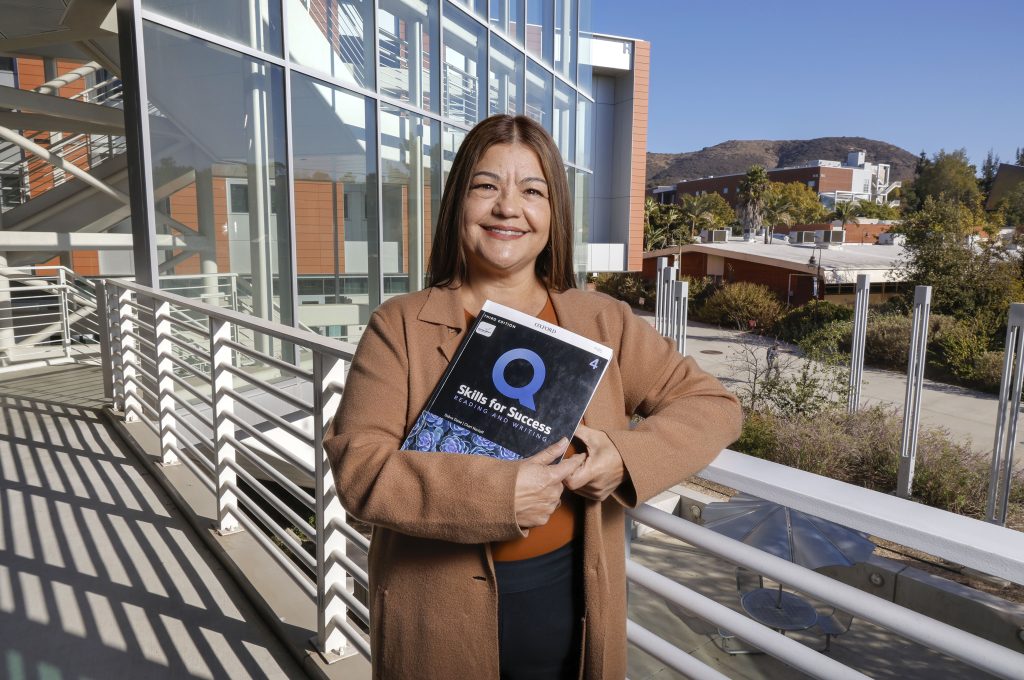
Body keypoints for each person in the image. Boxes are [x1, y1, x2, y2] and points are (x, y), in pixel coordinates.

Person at [324, 114, 742, 680]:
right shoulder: (398, 326)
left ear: (553, 213)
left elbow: (712, 406)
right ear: (458, 205)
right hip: (435, 607)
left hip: (575, 596)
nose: (507, 208)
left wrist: (624, 457)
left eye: (532, 191)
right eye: (486, 186)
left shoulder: (603, 321)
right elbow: (359, 470)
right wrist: (499, 496)